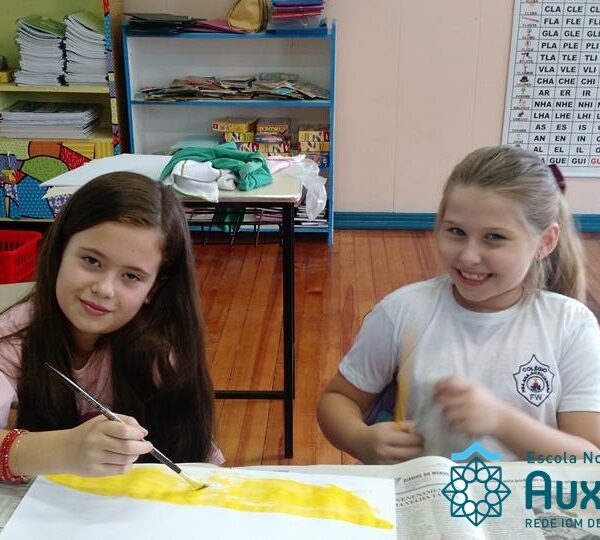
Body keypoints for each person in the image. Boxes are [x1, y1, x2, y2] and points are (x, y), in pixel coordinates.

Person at [318, 145, 600, 464]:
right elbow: (338, 398)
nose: (468, 256)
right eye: (456, 232)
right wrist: (359, 438)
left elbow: (589, 459)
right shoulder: (402, 311)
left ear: (545, 242)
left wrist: (501, 421)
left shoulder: (570, 325)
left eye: (494, 237)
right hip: (419, 492)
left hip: (528, 496)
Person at [0, 172, 223, 482]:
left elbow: (199, 466)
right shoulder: (17, 334)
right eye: (92, 261)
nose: (104, 289)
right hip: (46, 504)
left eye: (131, 276)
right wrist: (67, 449)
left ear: (154, 289)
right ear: (60, 250)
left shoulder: (161, 351)